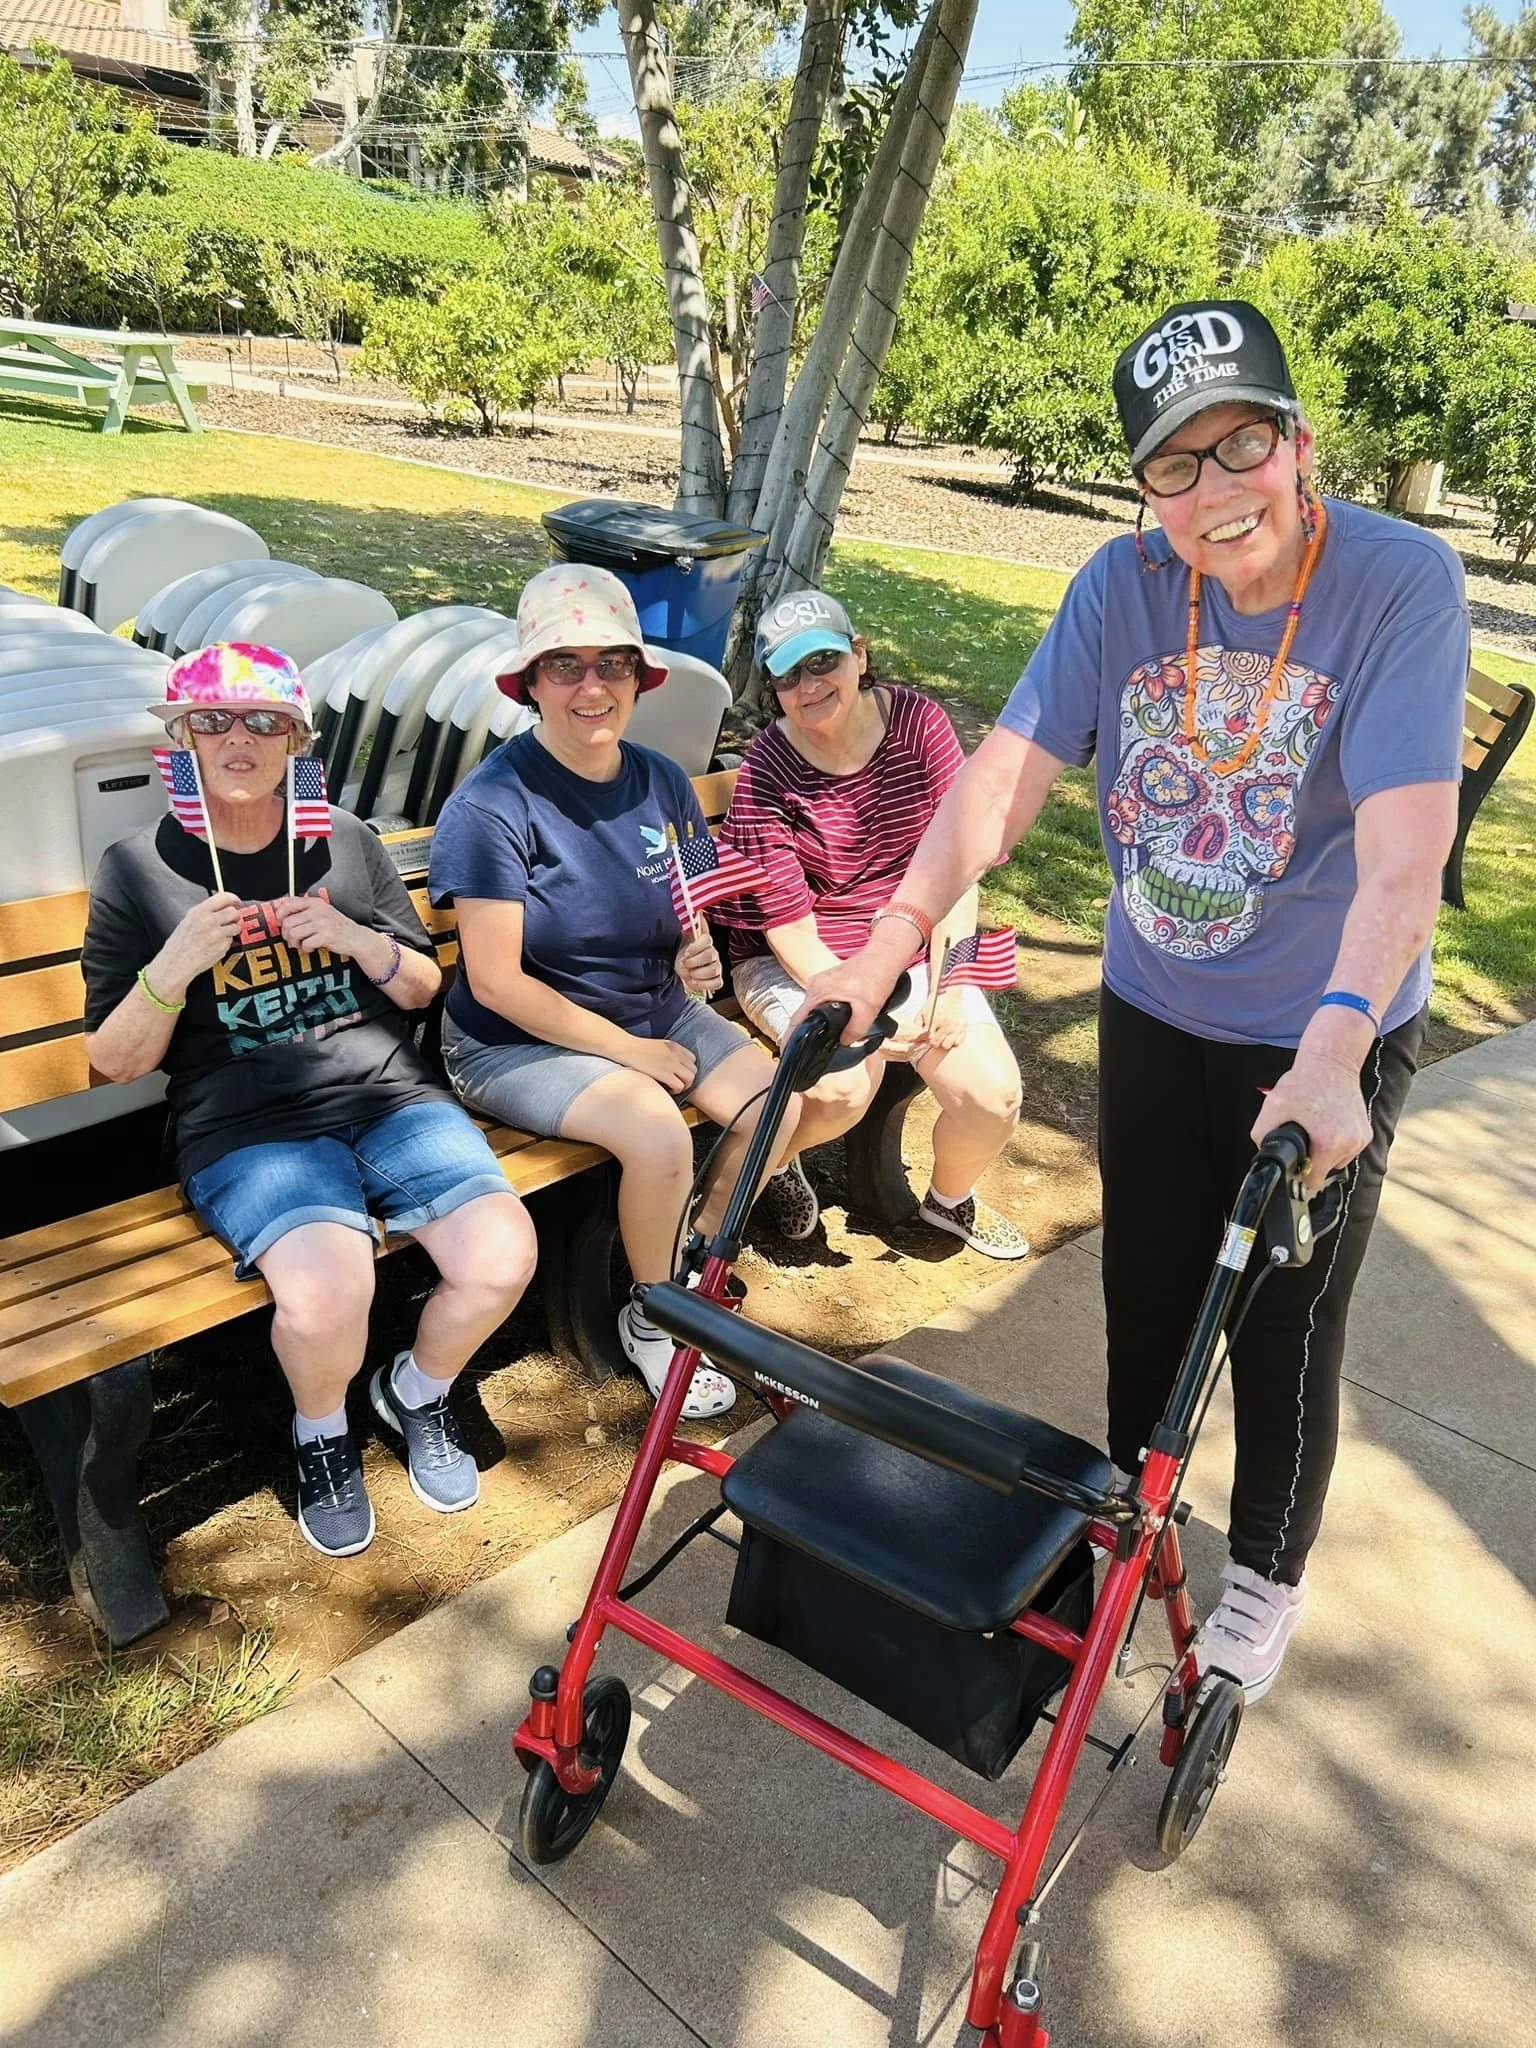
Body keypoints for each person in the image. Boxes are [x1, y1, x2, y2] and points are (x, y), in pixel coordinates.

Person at [798, 300, 1468, 1702]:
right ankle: (1129, 1519)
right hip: (1159, 1002)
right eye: (1177, 465)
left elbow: (1408, 855)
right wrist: (890, 940)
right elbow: (1002, 779)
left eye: (1245, 446)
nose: (1219, 492)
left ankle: (1266, 1580)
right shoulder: (1118, 589)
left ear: (1298, 443)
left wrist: (1338, 1051)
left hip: (1329, 1029)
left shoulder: (1402, 584)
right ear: (1143, 486)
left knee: (1289, 1319)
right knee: (1147, 1292)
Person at [83, 642, 536, 1560]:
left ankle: (413, 1390)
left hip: (386, 1097)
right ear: (180, 739)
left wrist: (353, 939)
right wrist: (174, 967)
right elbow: (113, 1064)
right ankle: (321, 1432)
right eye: (211, 720)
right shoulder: (139, 868)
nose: (238, 739)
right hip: (248, 1128)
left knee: (501, 1256)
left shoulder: (347, 842)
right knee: (331, 1294)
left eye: (264, 721)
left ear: (297, 738)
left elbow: (422, 987)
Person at [429, 565, 796, 1423]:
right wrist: (631, 1051)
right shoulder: (491, 806)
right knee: (657, 1129)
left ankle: (694, 1252)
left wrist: (697, 949)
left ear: (638, 678)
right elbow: (494, 981)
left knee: (780, 1104)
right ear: (530, 684)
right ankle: (656, 1312)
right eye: (566, 666)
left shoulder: (664, 779)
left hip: (653, 1007)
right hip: (512, 1042)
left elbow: (693, 890)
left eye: (613, 664)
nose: (592, 686)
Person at [714, 589, 1027, 1257]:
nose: (809, 685)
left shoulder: (919, 725)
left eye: (822, 661)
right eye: (790, 675)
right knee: (842, 1088)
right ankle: (776, 1166)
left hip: (911, 948)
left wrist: (949, 979)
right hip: (800, 958)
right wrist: (860, 1003)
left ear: (859, 656)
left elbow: (961, 861)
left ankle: (949, 1205)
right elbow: (787, 928)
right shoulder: (769, 767)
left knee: (992, 1096)